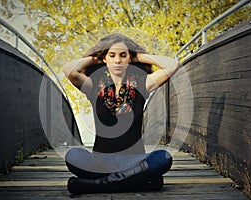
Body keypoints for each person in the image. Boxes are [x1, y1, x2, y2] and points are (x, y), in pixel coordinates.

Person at [63, 33, 181, 195]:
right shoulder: (94, 86)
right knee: (73, 155)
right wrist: (97, 57)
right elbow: (69, 70)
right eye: (112, 55)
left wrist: (139, 56)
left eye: (123, 55)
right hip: (101, 161)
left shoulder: (141, 84)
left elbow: (173, 65)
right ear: (105, 59)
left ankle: (96, 185)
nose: (118, 60)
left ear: (129, 59)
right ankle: (137, 181)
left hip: (134, 161)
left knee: (163, 157)